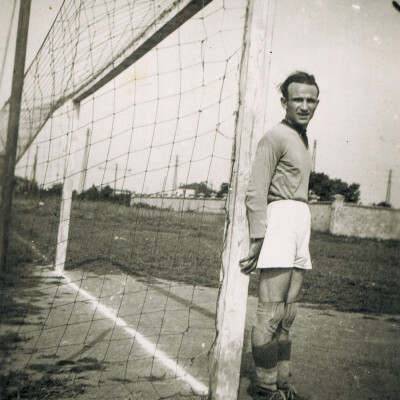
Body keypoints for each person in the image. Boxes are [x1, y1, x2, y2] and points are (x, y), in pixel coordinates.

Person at [239, 71, 320, 400]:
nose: (304, 105)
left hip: (300, 221)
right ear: (284, 102)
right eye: (297, 99)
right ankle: (265, 388)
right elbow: (256, 190)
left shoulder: (300, 138)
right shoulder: (275, 136)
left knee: (288, 315)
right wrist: (259, 237)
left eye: (310, 100)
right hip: (280, 222)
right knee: (270, 314)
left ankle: (283, 384)